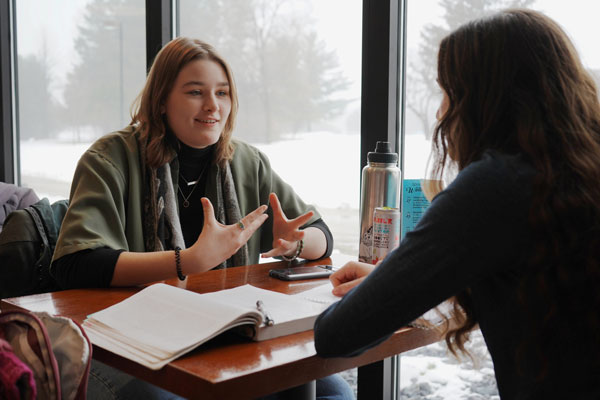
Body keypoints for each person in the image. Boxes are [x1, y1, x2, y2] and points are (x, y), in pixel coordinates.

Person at [314, 8, 600, 400]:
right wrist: (400, 278)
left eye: (448, 92)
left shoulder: (494, 186)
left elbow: (337, 334)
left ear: (483, 100)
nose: (440, 112)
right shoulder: (579, 170)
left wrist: (396, 281)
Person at [51, 37, 353, 399]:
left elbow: (321, 235)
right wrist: (189, 261)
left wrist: (299, 241)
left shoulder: (246, 161)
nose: (213, 106)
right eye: (196, 92)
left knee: (332, 393)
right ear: (161, 100)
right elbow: (76, 262)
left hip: (222, 331)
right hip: (127, 339)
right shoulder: (109, 159)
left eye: (223, 93)